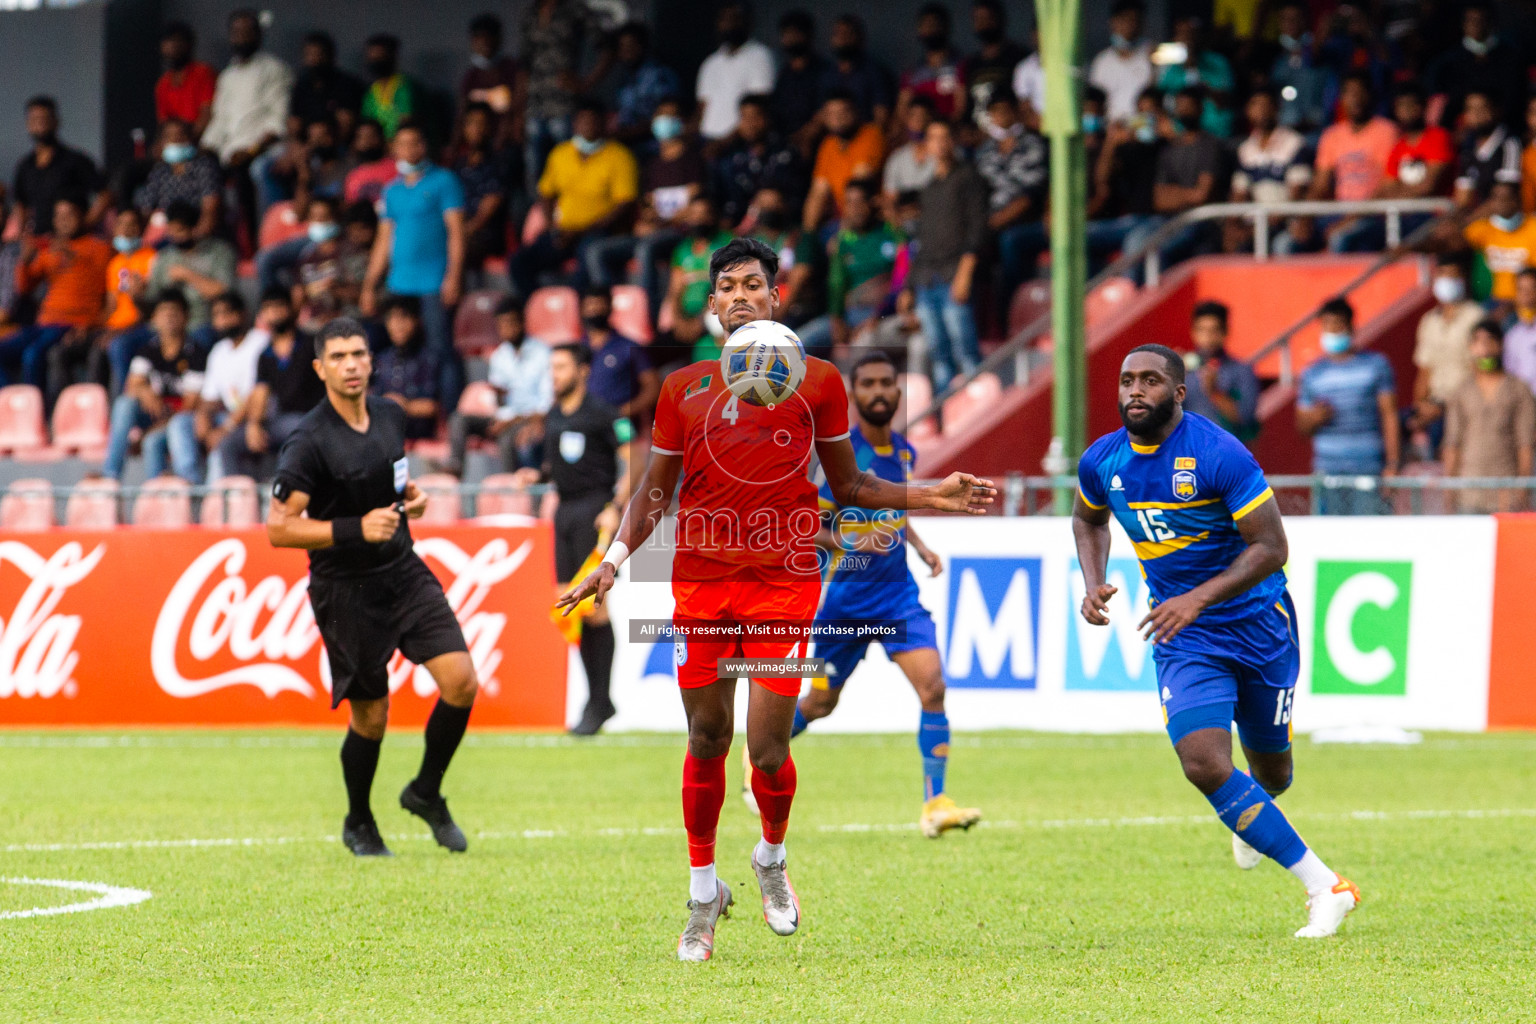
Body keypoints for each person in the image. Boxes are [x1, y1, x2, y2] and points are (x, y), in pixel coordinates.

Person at [554, 236, 995, 962]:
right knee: (705, 738)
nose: (736, 295)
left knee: (766, 748)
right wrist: (611, 561)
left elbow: (850, 487)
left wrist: (930, 493)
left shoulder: (819, 382)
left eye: (750, 284)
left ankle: (769, 858)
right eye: (724, 286)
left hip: (785, 588)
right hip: (697, 585)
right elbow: (655, 491)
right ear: (712, 305)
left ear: (775, 298)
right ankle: (703, 895)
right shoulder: (682, 389)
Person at [1072, 343, 1359, 939]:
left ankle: (1250, 812)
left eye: (1150, 381)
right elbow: (1088, 518)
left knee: (1271, 772)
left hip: (1257, 625)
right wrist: (1095, 579)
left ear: (1178, 393)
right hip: (1185, 637)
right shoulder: (1102, 460)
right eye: (1127, 381)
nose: (1135, 392)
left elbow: (1272, 547)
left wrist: (1198, 596)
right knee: (1203, 761)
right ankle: (1326, 887)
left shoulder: (1218, 453)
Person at [267, 317, 479, 858]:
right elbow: (279, 527)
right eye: (337, 357)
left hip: (402, 571)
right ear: (320, 368)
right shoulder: (308, 441)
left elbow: (393, 476)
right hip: (344, 588)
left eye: (358, 353)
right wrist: (351, 529)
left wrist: (413, 495)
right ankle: (359, 820)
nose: (352, 364)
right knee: (373, 714)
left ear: (371, 359)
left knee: (460, 681)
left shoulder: (389, 414)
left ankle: (425, 792)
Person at [756, 351, 982, 836]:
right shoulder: (839, 459)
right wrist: (847, 540)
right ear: (854, 395)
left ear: (897, 393)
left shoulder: (904, 451)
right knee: (819, 705)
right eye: (868, 384)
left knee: (933, 687)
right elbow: (801, 526)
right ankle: (759, 760)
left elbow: (894, 510)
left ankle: (935, 803)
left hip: (898, 598)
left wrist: (918, 546)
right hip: (845, 604)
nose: (879, 392)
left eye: (886, 383)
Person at [514, 344, 633, 735]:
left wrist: (617, 504)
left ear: (582, 370)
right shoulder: (552, 416)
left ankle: (599, 702)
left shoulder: (604, 412)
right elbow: (559, 463)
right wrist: (539, 477)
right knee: (571, 607)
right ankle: (599, 700)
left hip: (594, 511)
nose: (554, 374)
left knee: (593, 608)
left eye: (562, 366)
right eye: (552, 367)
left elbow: (633, 459)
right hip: (563, 512)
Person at [362, 123, 465, 412]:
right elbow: (384, 239)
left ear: (424, 146)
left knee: (440, 351)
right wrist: (370, 285)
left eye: (415, 143)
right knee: (395, 352)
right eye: (402, 144)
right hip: (399, 283)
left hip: (434, 282)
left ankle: (448, 417)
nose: (409, 149)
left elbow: (457, 232)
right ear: (394, 148)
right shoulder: (392, 190)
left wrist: (454, 276)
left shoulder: (445, 181)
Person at [582, 95, 704, 310]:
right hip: (655, 231)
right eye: (660, 115)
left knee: (646, 248)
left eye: (670, 115)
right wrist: (648, 221)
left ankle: (649, 315)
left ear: (682, 122)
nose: (663, 121)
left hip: (682, 234)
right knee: (596, 251)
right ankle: (609, 311)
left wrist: (661, 223)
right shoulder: (652, 165)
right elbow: (648, 205)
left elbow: (697, 206)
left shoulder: (695, 161)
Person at [509, 98, 638, 298]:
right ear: (574, 124)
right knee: (519, 262)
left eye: (593, 121)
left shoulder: (620, 156)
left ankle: (573, 314)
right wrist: (552, 226)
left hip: (600, 232)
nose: (588, 126)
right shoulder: (560, 154)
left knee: (587, 263)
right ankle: (540, 308)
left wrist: (579, 232)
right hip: (562, 230)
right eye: (583, 121)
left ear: (603, 124)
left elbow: (625, 203)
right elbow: (546, 193)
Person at [1295, 297, 1400, 514]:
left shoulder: (1376, 365)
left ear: (1351, 326)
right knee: (1330, 540)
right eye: (1327, 325)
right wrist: (1313, 419)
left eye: (1338, 324)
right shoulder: (1312, 373)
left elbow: (1389, 415)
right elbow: (1302, 426)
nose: (1332, 330)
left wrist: (1392, 464)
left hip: (1368, 467)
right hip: (1328, 470)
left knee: (1367, 537)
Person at [1, 196, 112, 393]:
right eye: (58, 216)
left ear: (83, 216)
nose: (64, 221)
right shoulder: (50, 251)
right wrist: (25, 261)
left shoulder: (100, 248)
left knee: (32, 355)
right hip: (44, 323)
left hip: (72, 322)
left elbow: (104, 287)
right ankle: (11, 404)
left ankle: (35, 412)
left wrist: (73, 257)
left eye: (69, 214)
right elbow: (25, 288)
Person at [911, 121, 985, 391]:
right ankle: (950, 420)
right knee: (939, 356)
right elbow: (923, 240)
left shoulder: (969, 178)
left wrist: (965, 272)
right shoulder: (929, 187)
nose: (940, 144)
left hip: (955, 273)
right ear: (926, 145)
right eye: (934, 138)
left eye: (945, 137)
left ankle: (978, 411)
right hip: (927, 279)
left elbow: (977, 230)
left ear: (953, 142)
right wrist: (911, 285)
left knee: (966, 353)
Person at [102, 291, 206, 483]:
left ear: (186, 317)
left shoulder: (196, 354)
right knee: (125, 404)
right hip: (153, 415)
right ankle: (110, 476)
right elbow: (132, 386)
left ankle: (162, 494)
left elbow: (189, 406)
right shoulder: (148, 350)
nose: (168, 317)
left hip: (179, 422)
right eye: (163, 312)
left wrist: (147, 433)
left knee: (151, 442)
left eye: (174, 312)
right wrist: (144, 391)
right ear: (154, 319)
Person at [1287, 75, 1397, 254]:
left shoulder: (1386, 131)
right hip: (1338, 212)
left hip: (1375, 215)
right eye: (1350, 93)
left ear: (1371, 96)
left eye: (1361, 93)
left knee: (1339, 239)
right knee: (1287, 243)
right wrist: (1304, 218)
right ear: (1341, 99)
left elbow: (1387, 186)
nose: (1356, 99)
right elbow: (1320, 184)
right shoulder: (1332, 135)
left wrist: (1350, 220)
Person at [442, 294, 551, 476]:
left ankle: (508, 488)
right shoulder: (499, 356)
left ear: (522, 321)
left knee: (507, 438)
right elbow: (500, 401)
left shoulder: (542, 353)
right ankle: (455, 468)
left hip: (529, 419)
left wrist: (512, 421)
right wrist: (499, 404)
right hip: (502, 419)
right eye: (501, 325)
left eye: (511, 323)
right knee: (458, 420)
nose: (506, 329)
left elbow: (546, 405)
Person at [797, 179, 899, 358]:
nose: (854, 209)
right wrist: (837, 321)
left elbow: (902, 277)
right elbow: (836, 285)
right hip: (848, 315)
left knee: (860, 348)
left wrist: (879, 314)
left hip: (882, 316)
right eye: (849, 203)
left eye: (859, 202)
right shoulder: (843, 241)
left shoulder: (890, 233)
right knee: (798, 343)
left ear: (872, 203)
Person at [1442, 319, 1536, 513]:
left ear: (1501, 345)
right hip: (1468, 491)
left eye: (1490, 341)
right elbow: (1452, 443)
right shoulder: (1462, 391)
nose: (1484, 349)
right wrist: (1449, 491)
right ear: (1470, 347)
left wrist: (1522, 487)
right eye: (1478, 342)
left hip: (1506, 492)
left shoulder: (1519, 390)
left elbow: (1526, 444)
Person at [519, 0, 609, 196]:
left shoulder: (575, 9)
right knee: (534, 171)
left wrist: (586, 83)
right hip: (534, 104)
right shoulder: (531, 13)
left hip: (563, 103)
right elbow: (523, 64)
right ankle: (539, 217)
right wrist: (518, 110)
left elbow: (606, 47)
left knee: (570, 162)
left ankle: (570, 207)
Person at [977, 89, 1048, 304]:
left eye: (1005, 111)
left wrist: (993, 224)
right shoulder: (984, 151)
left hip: (1026, 221)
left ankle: (1013, 307)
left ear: (1016, 112)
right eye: (995, 112)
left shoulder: (1032, 144)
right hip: (990, 223)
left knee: (1010, 240)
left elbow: (1030, 197)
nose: (1000, 116)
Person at [1406, 255, 1482, 456]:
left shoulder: (1476, 317)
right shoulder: (1429, 320)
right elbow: (1424, 371)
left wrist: (1446, 408)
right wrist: (1420, 407)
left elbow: (1480, 373)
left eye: (1452, 275)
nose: (1447, 281)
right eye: (1443, 275)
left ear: (1463, 280)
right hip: (1433, 407)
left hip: (1464, 407)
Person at [202, 10, 292, 170]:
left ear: (258, 35)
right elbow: (220, 118)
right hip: (230, 151)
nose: (241, 37)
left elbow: (278, 119)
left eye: (247, 32)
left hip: (262, 150)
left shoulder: (274, 69)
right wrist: (207, 146)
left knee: (254, 168)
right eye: (236, 32)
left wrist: (252, 151)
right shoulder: (227, 76)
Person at [10, 96, 107, 237]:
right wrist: (24, 235)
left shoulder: (75, 161)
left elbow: (106, 195)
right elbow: (20, 203)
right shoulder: (25, 166)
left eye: (44, 119)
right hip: (40, 243)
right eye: (35, 120)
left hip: (73, 244)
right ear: (28, 124)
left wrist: (86, 224)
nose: (40, 124)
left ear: (56, 121)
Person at [711, 94, 808, 228]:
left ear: (767, 118)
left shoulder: (786, 154)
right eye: (744, 117)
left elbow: (794, 199)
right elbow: (728, 204)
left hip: (779, 227)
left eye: (755, 116)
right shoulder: (730, 159)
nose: (750, 123)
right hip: (738, 231)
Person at [197, 292, 263, 481]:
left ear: (243, 314)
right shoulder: (218, 351)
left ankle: (220, 499)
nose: (222, 320)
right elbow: (209, 399)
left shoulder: (259, 342)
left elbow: (255, 397)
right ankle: (190, 487)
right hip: (227, 416)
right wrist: (203, 419)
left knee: (222, 443)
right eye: (217, 315)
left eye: (227, 313)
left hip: (256, 416)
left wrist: (224, 429)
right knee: (182, 424)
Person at [1428, 2, 1524, 133]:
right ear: (1463, 24)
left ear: (1490, 22)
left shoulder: (1509, 56)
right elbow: (1448, 101)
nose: (1475, 25)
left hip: (1505, 128)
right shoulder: (1449, 61)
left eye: (1480, 20)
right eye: (1471, 20)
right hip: (1463, 130)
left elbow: (1515, 97)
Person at [662, 198, 735, 361]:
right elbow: (675, 291)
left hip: (715, 314)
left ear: (713, 217)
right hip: (685, 318)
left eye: (704, 214)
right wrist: (678, 321)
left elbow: (727, 285)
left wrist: (700, 320)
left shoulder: (728, 243)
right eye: (694, 214)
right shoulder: (682, 250)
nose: (699, 219)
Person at [148, 201, 237, 331]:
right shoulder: (164, 257)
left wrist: (188, 275)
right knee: (122, 345)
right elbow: (152, 297)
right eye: (171, 232)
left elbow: (224, 292)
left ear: (194, 228)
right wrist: (137, 295)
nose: (175, 237)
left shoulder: (220, 251)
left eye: (180, 231)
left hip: (201, 322)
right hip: (166, 325)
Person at [802, 90, 884, 230]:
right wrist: (807, 234)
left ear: (855, 112)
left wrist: (842, 235)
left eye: (843, 112)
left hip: (870, 218)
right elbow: (818, 193)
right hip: (841, 218)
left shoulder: (871, 135)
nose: (838, 118)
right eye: (832, 114)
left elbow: (859, 187)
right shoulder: (828, 145)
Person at [452, 102, 518, 275]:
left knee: (453, 248)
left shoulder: (499, 163)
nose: (476, 129)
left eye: (481, 123)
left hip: (484, 235)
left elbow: (484, 215)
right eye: (471, 123)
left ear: (490, 128)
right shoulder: (458, 165)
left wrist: (458, 234)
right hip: (458, 229)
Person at [696, 1, 776, 142]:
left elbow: (758, 107)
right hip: (706, 139)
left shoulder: (760, 56)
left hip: (739, 142)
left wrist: (726, 143)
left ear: (747, 22)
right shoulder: (711, 62)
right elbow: (702, 107)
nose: (729, 24)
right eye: (724, 19)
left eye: (734, 18)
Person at [579, 284, 659, 420]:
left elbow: (653, 388)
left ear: (610, 307)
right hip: (583, 422)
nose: (595, 310)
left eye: (600, 304)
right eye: (590, 305)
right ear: (581, 309)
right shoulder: (576, 349)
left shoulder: (629, 346)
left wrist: (623, 411)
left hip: (619, 421)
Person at [294, 197, 372, 334]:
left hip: (351, 321)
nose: (319, 222)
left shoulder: (352, 252)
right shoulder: (307, 256)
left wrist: (337, 291)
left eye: (324, 217)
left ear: (335, 218)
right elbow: (300, 298)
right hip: (316, 325)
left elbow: (365, 295)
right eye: (314, 217)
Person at [1182, 301, 1259, 440]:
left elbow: (1245, 418)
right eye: (1202, 330)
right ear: (1193, 332)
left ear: (1225, 331)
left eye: (1214, 330)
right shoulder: (1183, 370)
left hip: (1228, 452)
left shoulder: (1242, 371)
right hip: (1189, 451)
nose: (1208, 338)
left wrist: (1215, 392)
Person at [136, 119, 221, 237]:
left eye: (181, 134)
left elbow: (210, 210)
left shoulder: (204, 166)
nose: (176, 140)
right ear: (161, 143)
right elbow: (146, 210)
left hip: (195, 234)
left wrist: (192, 237)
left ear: (191, 139)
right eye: (169, 136)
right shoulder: (160, 171)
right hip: (164, 235)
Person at [372, 295, 441, 440]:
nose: (398, 324)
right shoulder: (381, 360)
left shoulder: (428, 359)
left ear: (416, 321)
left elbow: (434, 407)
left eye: (404, 317)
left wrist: (404, 406)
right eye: (391, 318)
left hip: (419, 435)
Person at [1156, 16, 1235, 138]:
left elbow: (1226, 99)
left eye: (1191, 33)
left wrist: (1195, 67)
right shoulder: (1170, 66)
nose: (1187, 39)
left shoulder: (1218, 62)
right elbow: (1156, 97)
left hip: (1215, 133)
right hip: (1179, 136)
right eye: (1182, 34)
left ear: (1200, 36)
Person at [1462, 180, 1536, 305]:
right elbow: (1455, 238)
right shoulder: (1482, 229)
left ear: (1518, 200)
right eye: (1496, 198)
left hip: (1527, 301)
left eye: (1506, 198)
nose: (1501, 203)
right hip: (1494, 299)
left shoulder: (1533, 228)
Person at [611, 22, 681, 148]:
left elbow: (668, 116)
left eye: (630, 45)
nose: (626, 51)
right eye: (622, 46)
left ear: (642, 46)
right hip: (627, 148)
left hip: (655, 148)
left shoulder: (659, 74)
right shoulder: (624, 79)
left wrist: (627, 134)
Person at [819, 14, 893, 129]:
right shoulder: (827, 74)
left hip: (865, 135)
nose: (842, 39)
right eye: (837, 34)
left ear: (860, 38)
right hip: (834, 137)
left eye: (847, 34)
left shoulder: (874, 72)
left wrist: (872, 139)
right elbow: (822, 113)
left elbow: (881, 116)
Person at [960, 0, 1026, 126]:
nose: (983, 24)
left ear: (1000, 19)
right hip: (978, 137)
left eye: (988, 18)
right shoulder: (972, 63)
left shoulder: (1018, 58)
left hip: (1009, 132)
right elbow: (967, 106)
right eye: (978, 19)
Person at [1452, 92, 1521, 212]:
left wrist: (1466, 222)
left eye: (1482, 108)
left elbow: (1504, 198)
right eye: (1471, 109)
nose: (1476, 114)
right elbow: (1463, 198)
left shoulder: (1509, 144)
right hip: (1476, 222)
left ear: (1496, 110)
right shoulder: (1467, 148)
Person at [289, 31, 364, 141]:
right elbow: (295, 122)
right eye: (310, 55)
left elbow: (346, 123)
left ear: (330, 56)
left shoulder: (346, 84)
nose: (314, 60)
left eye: (318, 54)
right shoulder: (301, 85)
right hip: (307, 143)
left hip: (338, 144)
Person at [1269, 2, 1330, 133]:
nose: (1290, 23)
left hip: (1315, 126)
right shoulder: (1274, 54)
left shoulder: (1319, 49)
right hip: (1286, 127)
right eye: (1285, 19)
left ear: (1305, 20)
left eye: (1295, 18)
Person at [899, 4, 966, 124]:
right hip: (920, 134)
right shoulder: (913, 72)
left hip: (950, 131)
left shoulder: (960, 65)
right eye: (926, 25)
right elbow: (902, 109)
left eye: (935, 24)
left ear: (945, 27)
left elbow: (960, 108)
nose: (931, 29)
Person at [1088, 1, 1152, 124]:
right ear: (1113, 22)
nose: (1130, 26)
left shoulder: (1151, 56)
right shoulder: (1102, 62)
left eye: (1135, 20)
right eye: (1125, 20)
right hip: (1111, 129)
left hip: (1144, 127)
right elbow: (1095, 103)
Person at [771, 9, 826, 146]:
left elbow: (824, 111)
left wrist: (803, 138)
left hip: (814, 142)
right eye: (786, 34)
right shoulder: (783, 73)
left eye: (795, 33)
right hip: (783, 141)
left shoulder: (823, 70)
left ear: (808, 35)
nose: (791, 39)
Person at [155, 21, 216, 137]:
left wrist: (189, 140)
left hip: (202, 138)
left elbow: (207, 113)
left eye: (177, 41)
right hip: (175, 141)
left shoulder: (203, 72)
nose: (173, 46)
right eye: (168, 42)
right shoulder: (163, 84)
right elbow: (163, 123)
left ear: (189, 44)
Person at [361, 35, 419, 141]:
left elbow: (406, 120)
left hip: (401, 146)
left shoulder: (404, 86)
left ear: (392, 56)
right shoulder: (371, 91)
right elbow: (367, 122)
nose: (376, 61)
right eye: (372, 57)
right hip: (379, 147)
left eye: (380, 56)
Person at [882, 97, 936, 206]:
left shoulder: (945, 155)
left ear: (931, 119)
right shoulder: (897, 158)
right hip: (904, 218)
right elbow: (889, 198)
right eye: (913, 116)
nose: (917, 121)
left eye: (922, 116)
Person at [343, 120, 397, 206]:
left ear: (381, 138)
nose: (367, 141)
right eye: (361, 137)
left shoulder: (397, 168)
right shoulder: (353, 176)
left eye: (371, 136)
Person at [1501, 269, 1536, 394]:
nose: (1527, 294)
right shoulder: (1509, 330)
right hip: (1521, 401)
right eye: (1521, 289)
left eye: (1532, 288)